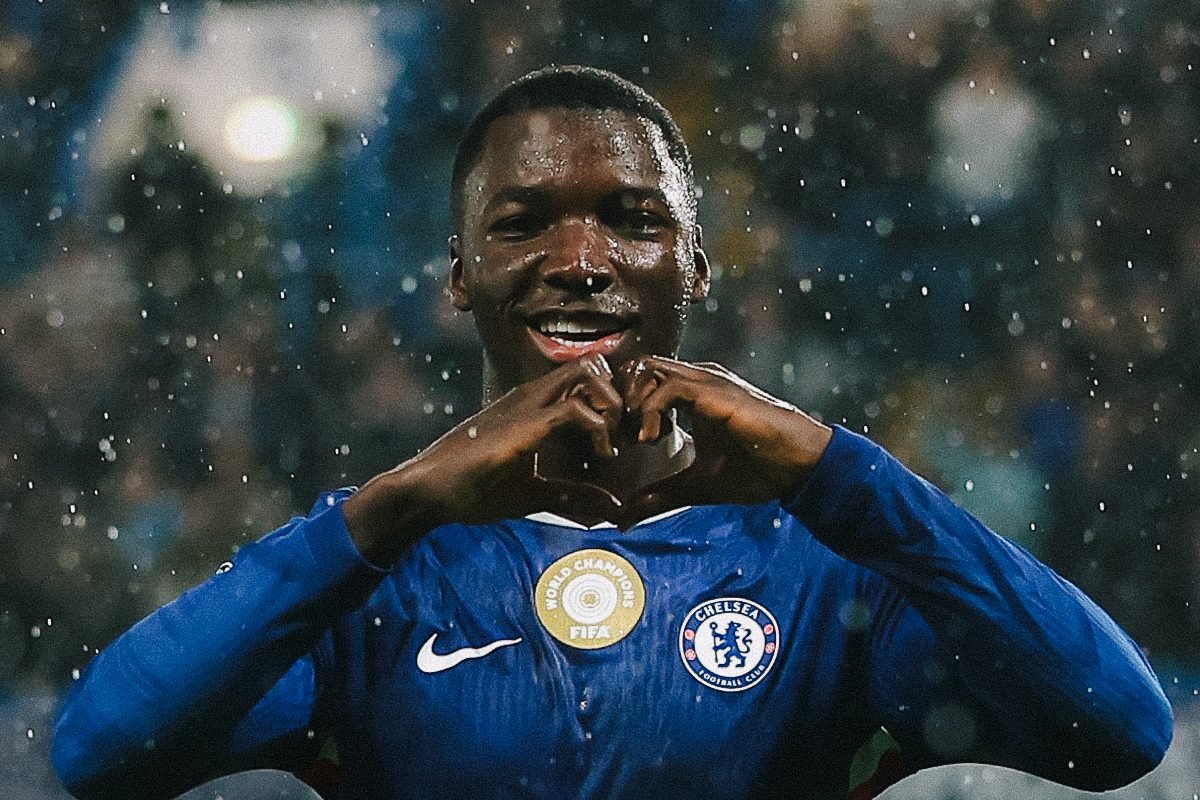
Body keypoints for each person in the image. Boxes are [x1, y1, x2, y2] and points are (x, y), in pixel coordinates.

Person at [52, 65, 1171, 800]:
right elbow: (99, 753)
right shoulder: (375, 569)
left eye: (633, 221)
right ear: (461, 273)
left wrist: (842, 472)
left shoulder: (829, 565)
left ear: (694, 266)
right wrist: (398, 502)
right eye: (524, 222)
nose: (582, 261)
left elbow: (1121, 731)